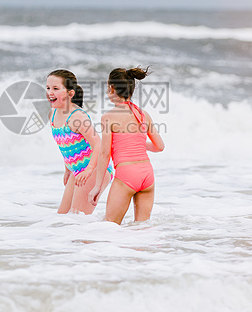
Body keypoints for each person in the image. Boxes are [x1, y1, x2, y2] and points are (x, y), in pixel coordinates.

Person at [88, 67, 165, 224]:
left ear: (111, 88)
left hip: (126, 175)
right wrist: (138, 145)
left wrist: (97, 186)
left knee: (109, 226)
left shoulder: (108, 117)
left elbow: (104, 154)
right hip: (147, 175)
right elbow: (159, 146)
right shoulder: (144, 114)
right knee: (142, 229)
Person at [47, 69, 112, 214]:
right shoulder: (53, 114)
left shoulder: (77, 117)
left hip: (94, 169)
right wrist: (67, 169)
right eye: (48, 88)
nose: (50, 92)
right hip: (77, 170)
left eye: (56, 89)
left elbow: (99, 144)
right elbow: (67, 144)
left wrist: (89, 170)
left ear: (70, 93)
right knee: (63, 217)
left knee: (77, 220)